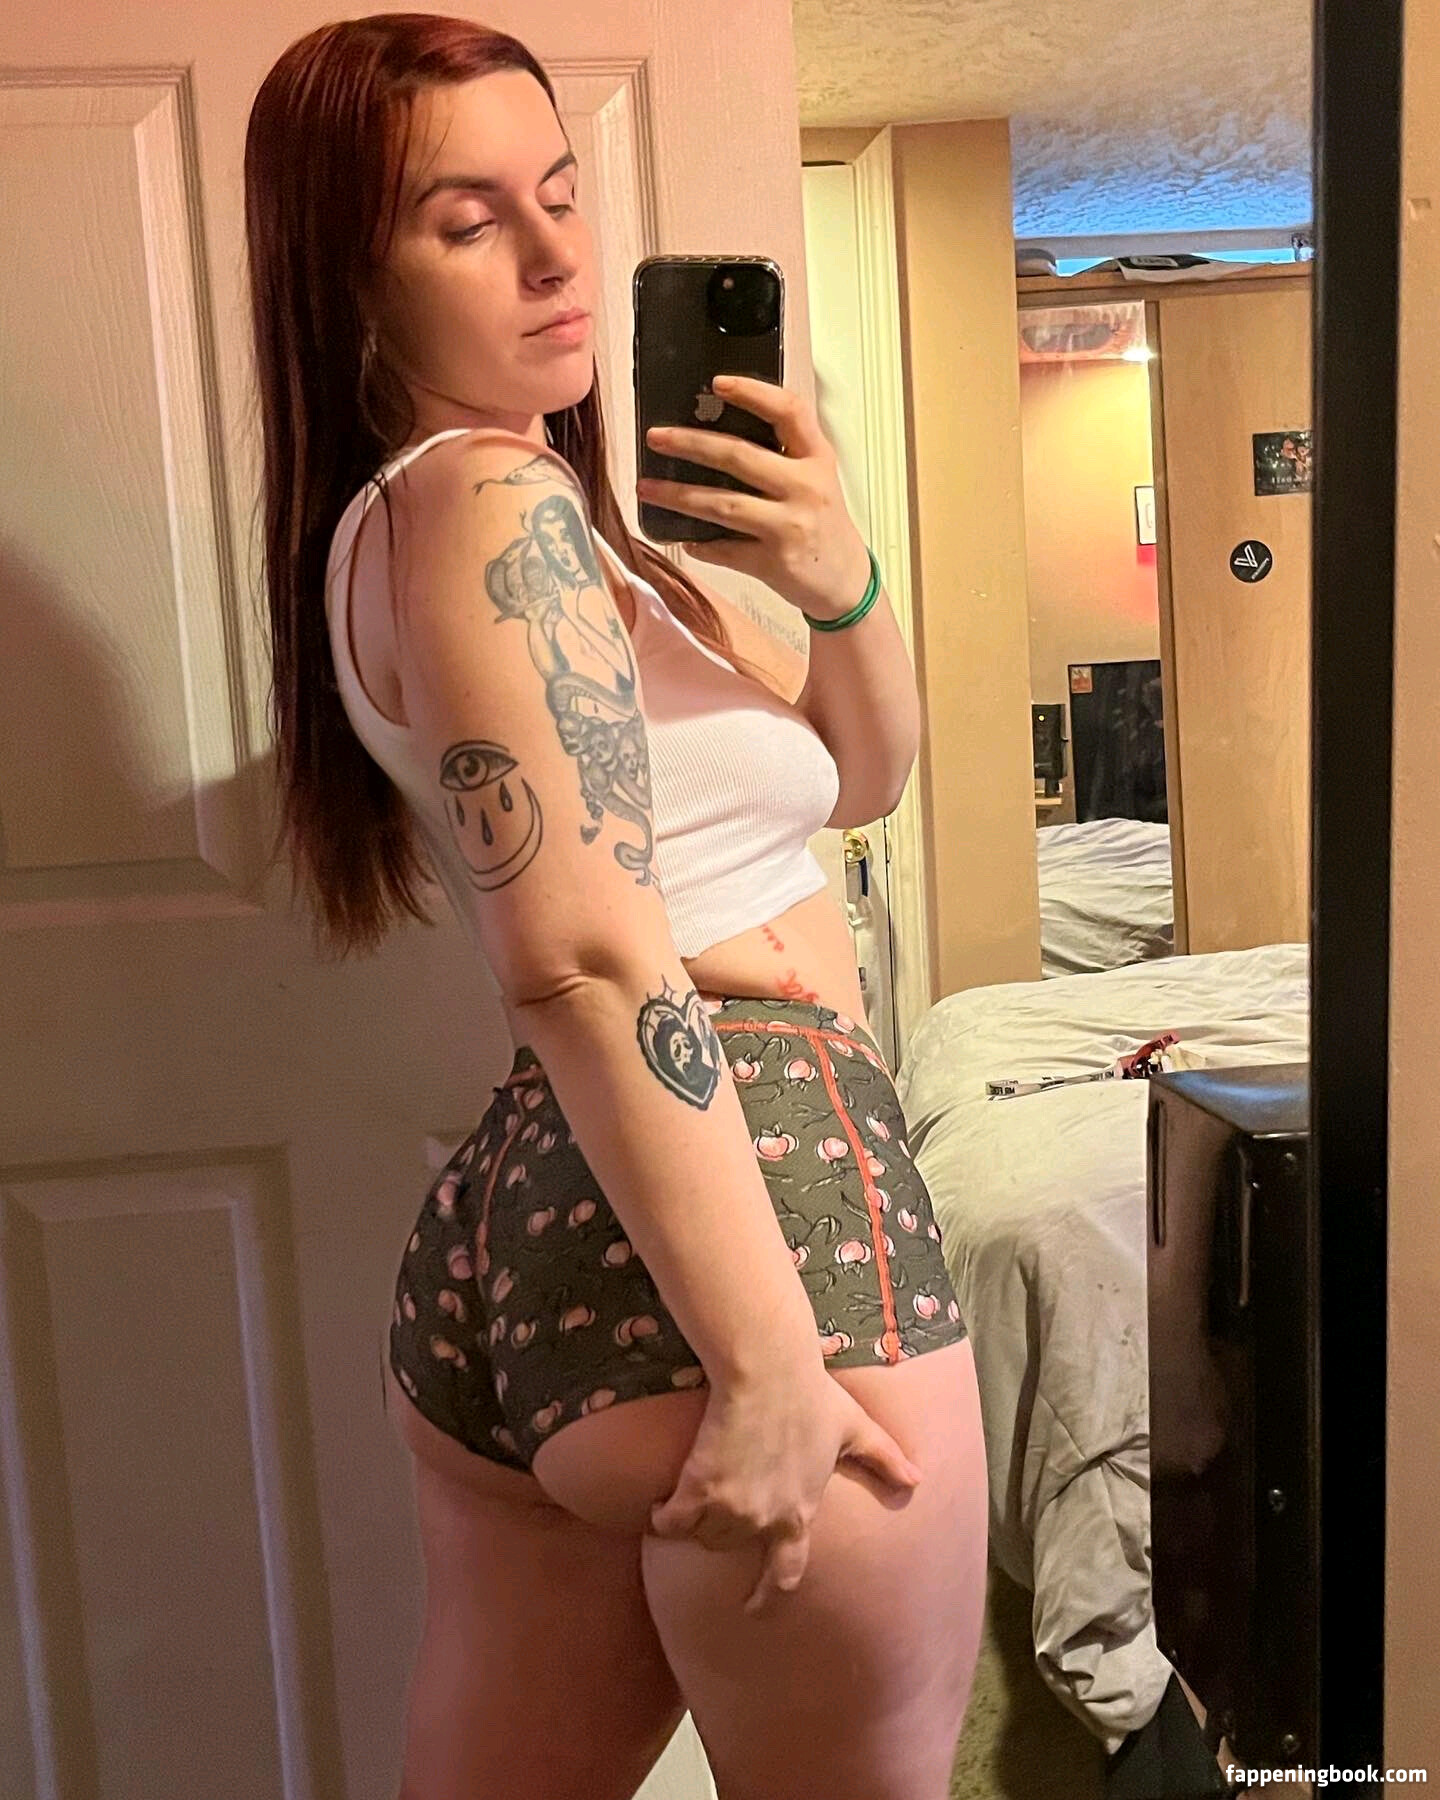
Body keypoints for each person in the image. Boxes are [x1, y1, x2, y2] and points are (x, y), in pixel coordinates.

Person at [244, 15, 987, 1799]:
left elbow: (863, 781)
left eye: (562, 194)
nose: (555, 255)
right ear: (350, 284)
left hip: (535, 1219)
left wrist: (839, 580)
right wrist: (768, 1359)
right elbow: (578, 953)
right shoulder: (489, 501)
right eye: (468, 220)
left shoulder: (525, 529)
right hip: (759, 1190)